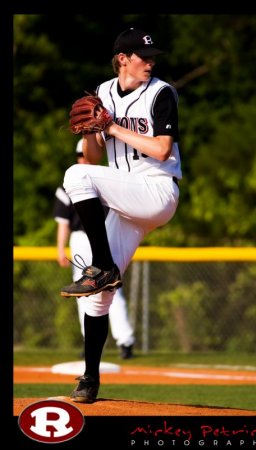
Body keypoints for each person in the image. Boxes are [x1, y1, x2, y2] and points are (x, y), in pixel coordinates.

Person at [60, 27, 182, 403]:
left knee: (75, 175)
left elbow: (162, 151)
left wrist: (110, 126)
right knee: (96, 300)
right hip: (126, 200)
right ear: (122, 59)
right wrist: (91, 133)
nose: (151, 62)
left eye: (152, 57)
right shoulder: (104, 92)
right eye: (144, 56)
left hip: (157, 191)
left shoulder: (161, 93)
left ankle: (103, 267)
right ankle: (90, 380)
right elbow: (95, 157)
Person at [53, 139, 135, 359]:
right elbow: (63, 222)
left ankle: (124, 340)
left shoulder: (106, 180)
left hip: (104, 234)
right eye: (80, 154)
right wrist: (60, 248)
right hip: (79, 240)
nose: (83, 158)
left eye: (85, 154)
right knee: (84, 293)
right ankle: (89, 343)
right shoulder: (69, 184)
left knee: (111, 289)